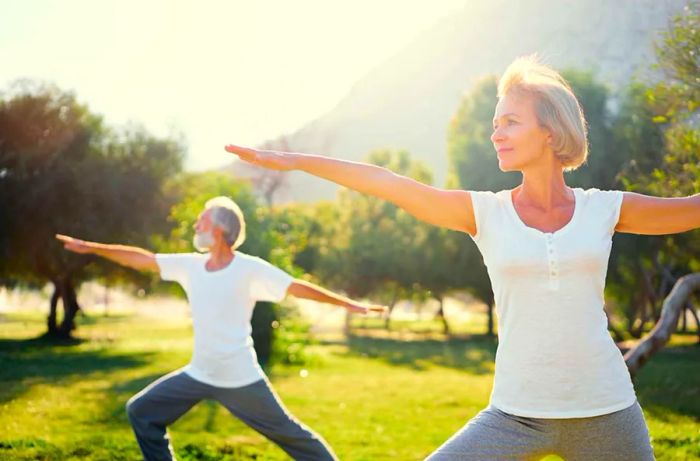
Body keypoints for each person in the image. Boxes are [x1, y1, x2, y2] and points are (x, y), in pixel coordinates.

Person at [224, 56, 700, 460]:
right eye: (495, 124)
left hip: (607, 410)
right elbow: (390, 183)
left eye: (510, 122)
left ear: (551, 132)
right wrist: (298, 161)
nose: (497, 134)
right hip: (515, 414)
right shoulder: (485, 213)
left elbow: (692, 210)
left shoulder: (604, 209)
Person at [57, 196, 385, 461]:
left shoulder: (248, 269)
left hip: (239, 377)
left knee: (293, 437)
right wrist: (93, 248)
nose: (196, 225)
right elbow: (142, 259)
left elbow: (295, 286)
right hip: (199, 373)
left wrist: (350, 305)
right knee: (141, 412)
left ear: (217, 229)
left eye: (202, 220)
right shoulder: (191, 265)